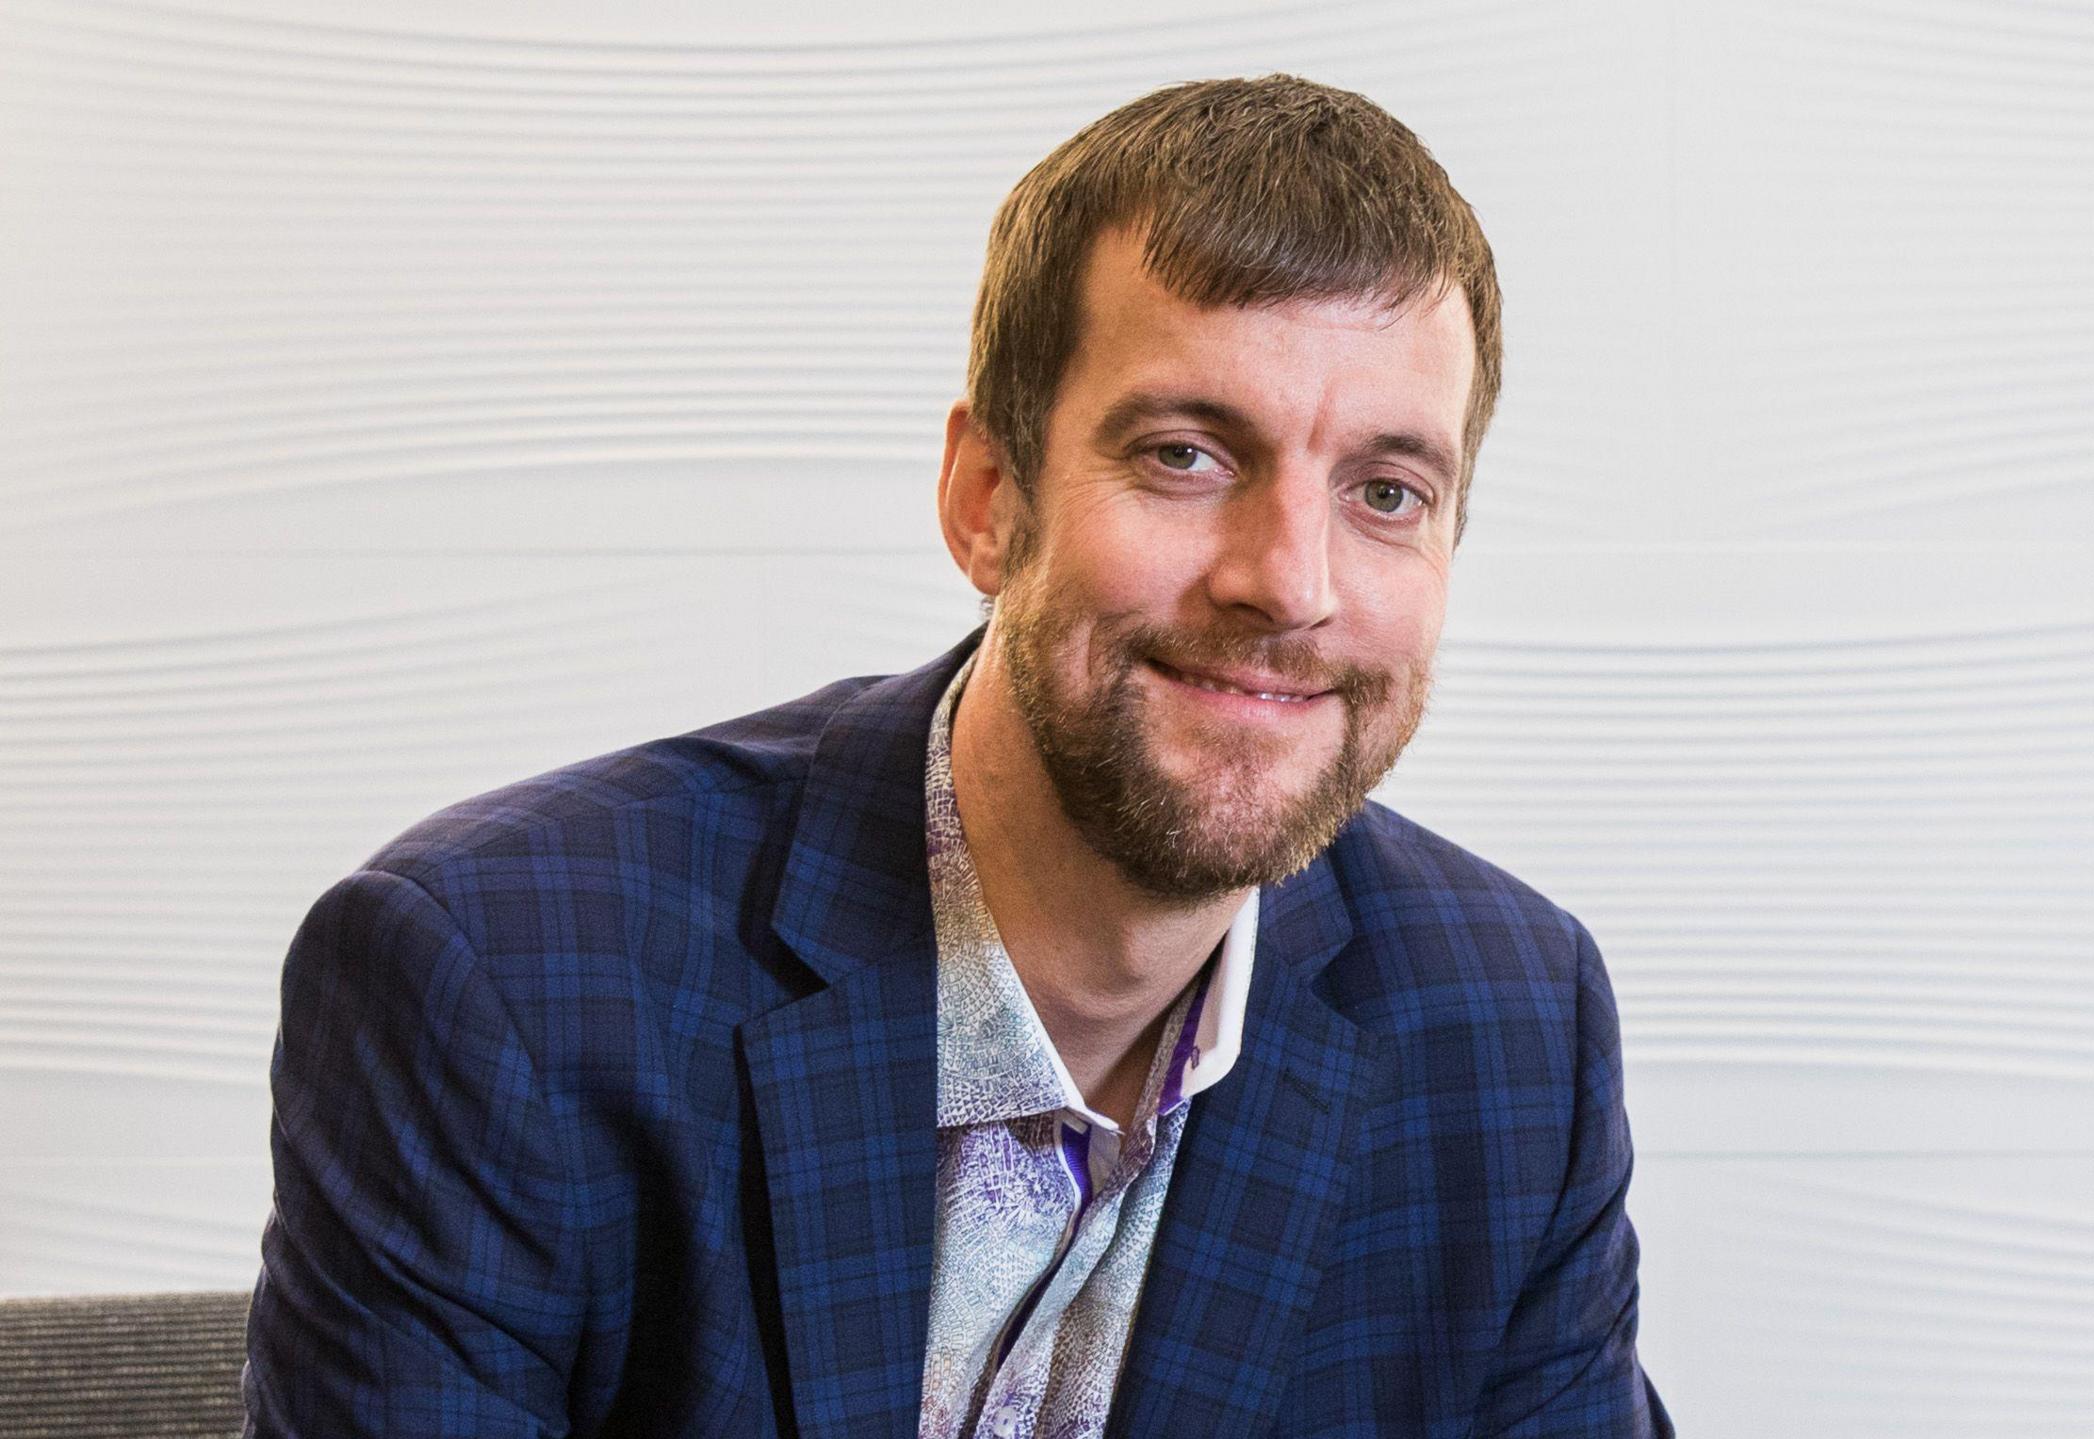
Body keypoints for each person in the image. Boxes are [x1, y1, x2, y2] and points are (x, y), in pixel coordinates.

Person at [242, 74, 1673, 1437]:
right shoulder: (499, 989)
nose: (1288, 583)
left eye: (1385, 489)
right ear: (988, 498)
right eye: (1187, 454)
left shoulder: (1512, 1028)